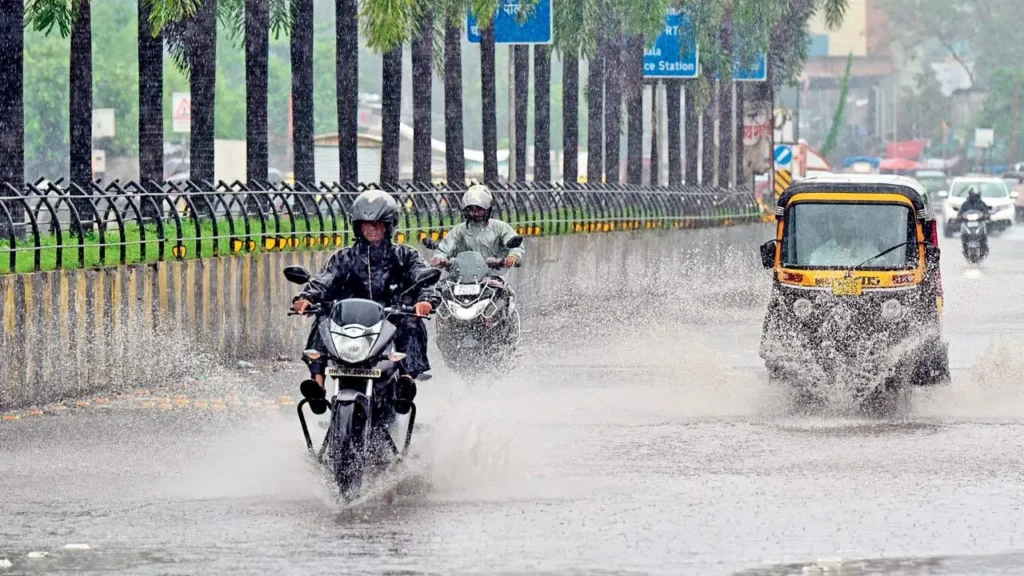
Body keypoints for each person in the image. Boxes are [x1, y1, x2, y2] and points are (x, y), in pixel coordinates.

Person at [291, 189, 439, 397]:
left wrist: (426, 300)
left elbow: (422, 278)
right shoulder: (344, 258)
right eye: (367, 224)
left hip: (391, 320)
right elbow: (324, 279)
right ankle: (317, 384)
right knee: (323, 318)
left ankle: (406, 381)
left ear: (389, 225)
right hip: (350, 324)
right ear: (358, 226)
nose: (372, 228)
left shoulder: (405, 255)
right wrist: (306, 297)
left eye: (379, 223)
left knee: (412, 321)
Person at [429, 184, 525, 274]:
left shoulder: (500, 227)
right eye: (471, 209)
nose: (475, 213)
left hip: (495, 275)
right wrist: (439, 258)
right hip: (463, 277)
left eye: (479, 209)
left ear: (487, 209)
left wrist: (513, 257)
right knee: (441, 286)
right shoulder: (458, 231)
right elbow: (444, 248)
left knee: (503, 287)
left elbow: (515, 246)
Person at [806, 212, 881, 267]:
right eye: (837, 222)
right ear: (833, 227)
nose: (842, 229)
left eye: (848, 222)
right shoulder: (820, 253)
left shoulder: (867, 249)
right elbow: (812, 277)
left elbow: (882, 265)